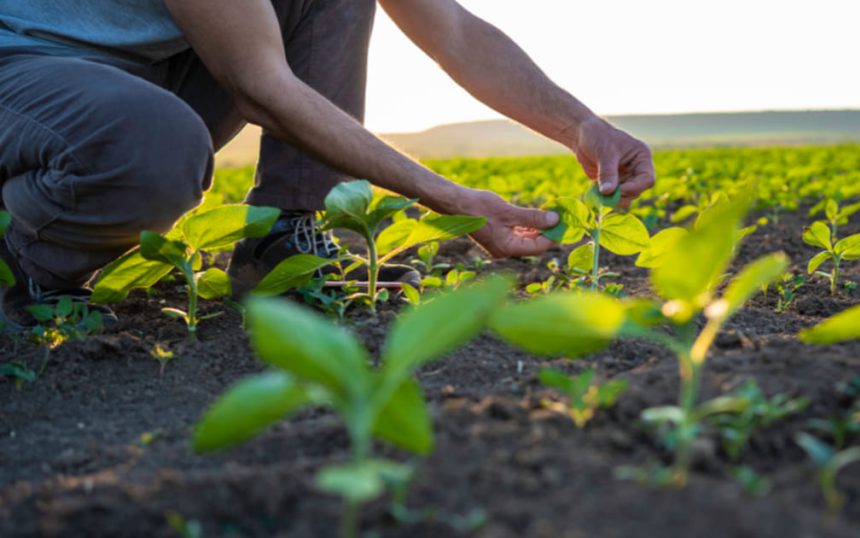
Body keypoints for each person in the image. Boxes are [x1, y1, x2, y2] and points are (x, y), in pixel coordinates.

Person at [0, 0, 655, 327]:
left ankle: (284, 249)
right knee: (149, 146)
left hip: (136, 75)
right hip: (23, 72)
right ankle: (24, 273)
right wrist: (449, 199)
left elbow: (451, 27)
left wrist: (581, 125)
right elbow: (261, 86)